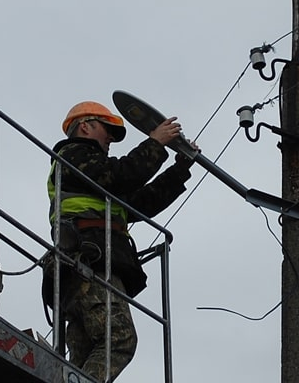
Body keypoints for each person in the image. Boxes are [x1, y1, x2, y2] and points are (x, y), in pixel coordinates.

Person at [47, 100, 197, 382]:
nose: (110, 140)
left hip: (82, 266)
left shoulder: (92, 178)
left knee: (85, 353)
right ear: (86, 126)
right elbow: (122, 176)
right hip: (88, 262)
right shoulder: (73, 156)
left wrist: (181, 168)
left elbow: (141, 203)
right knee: (118, 339)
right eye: (107, 131)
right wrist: (156, 143)